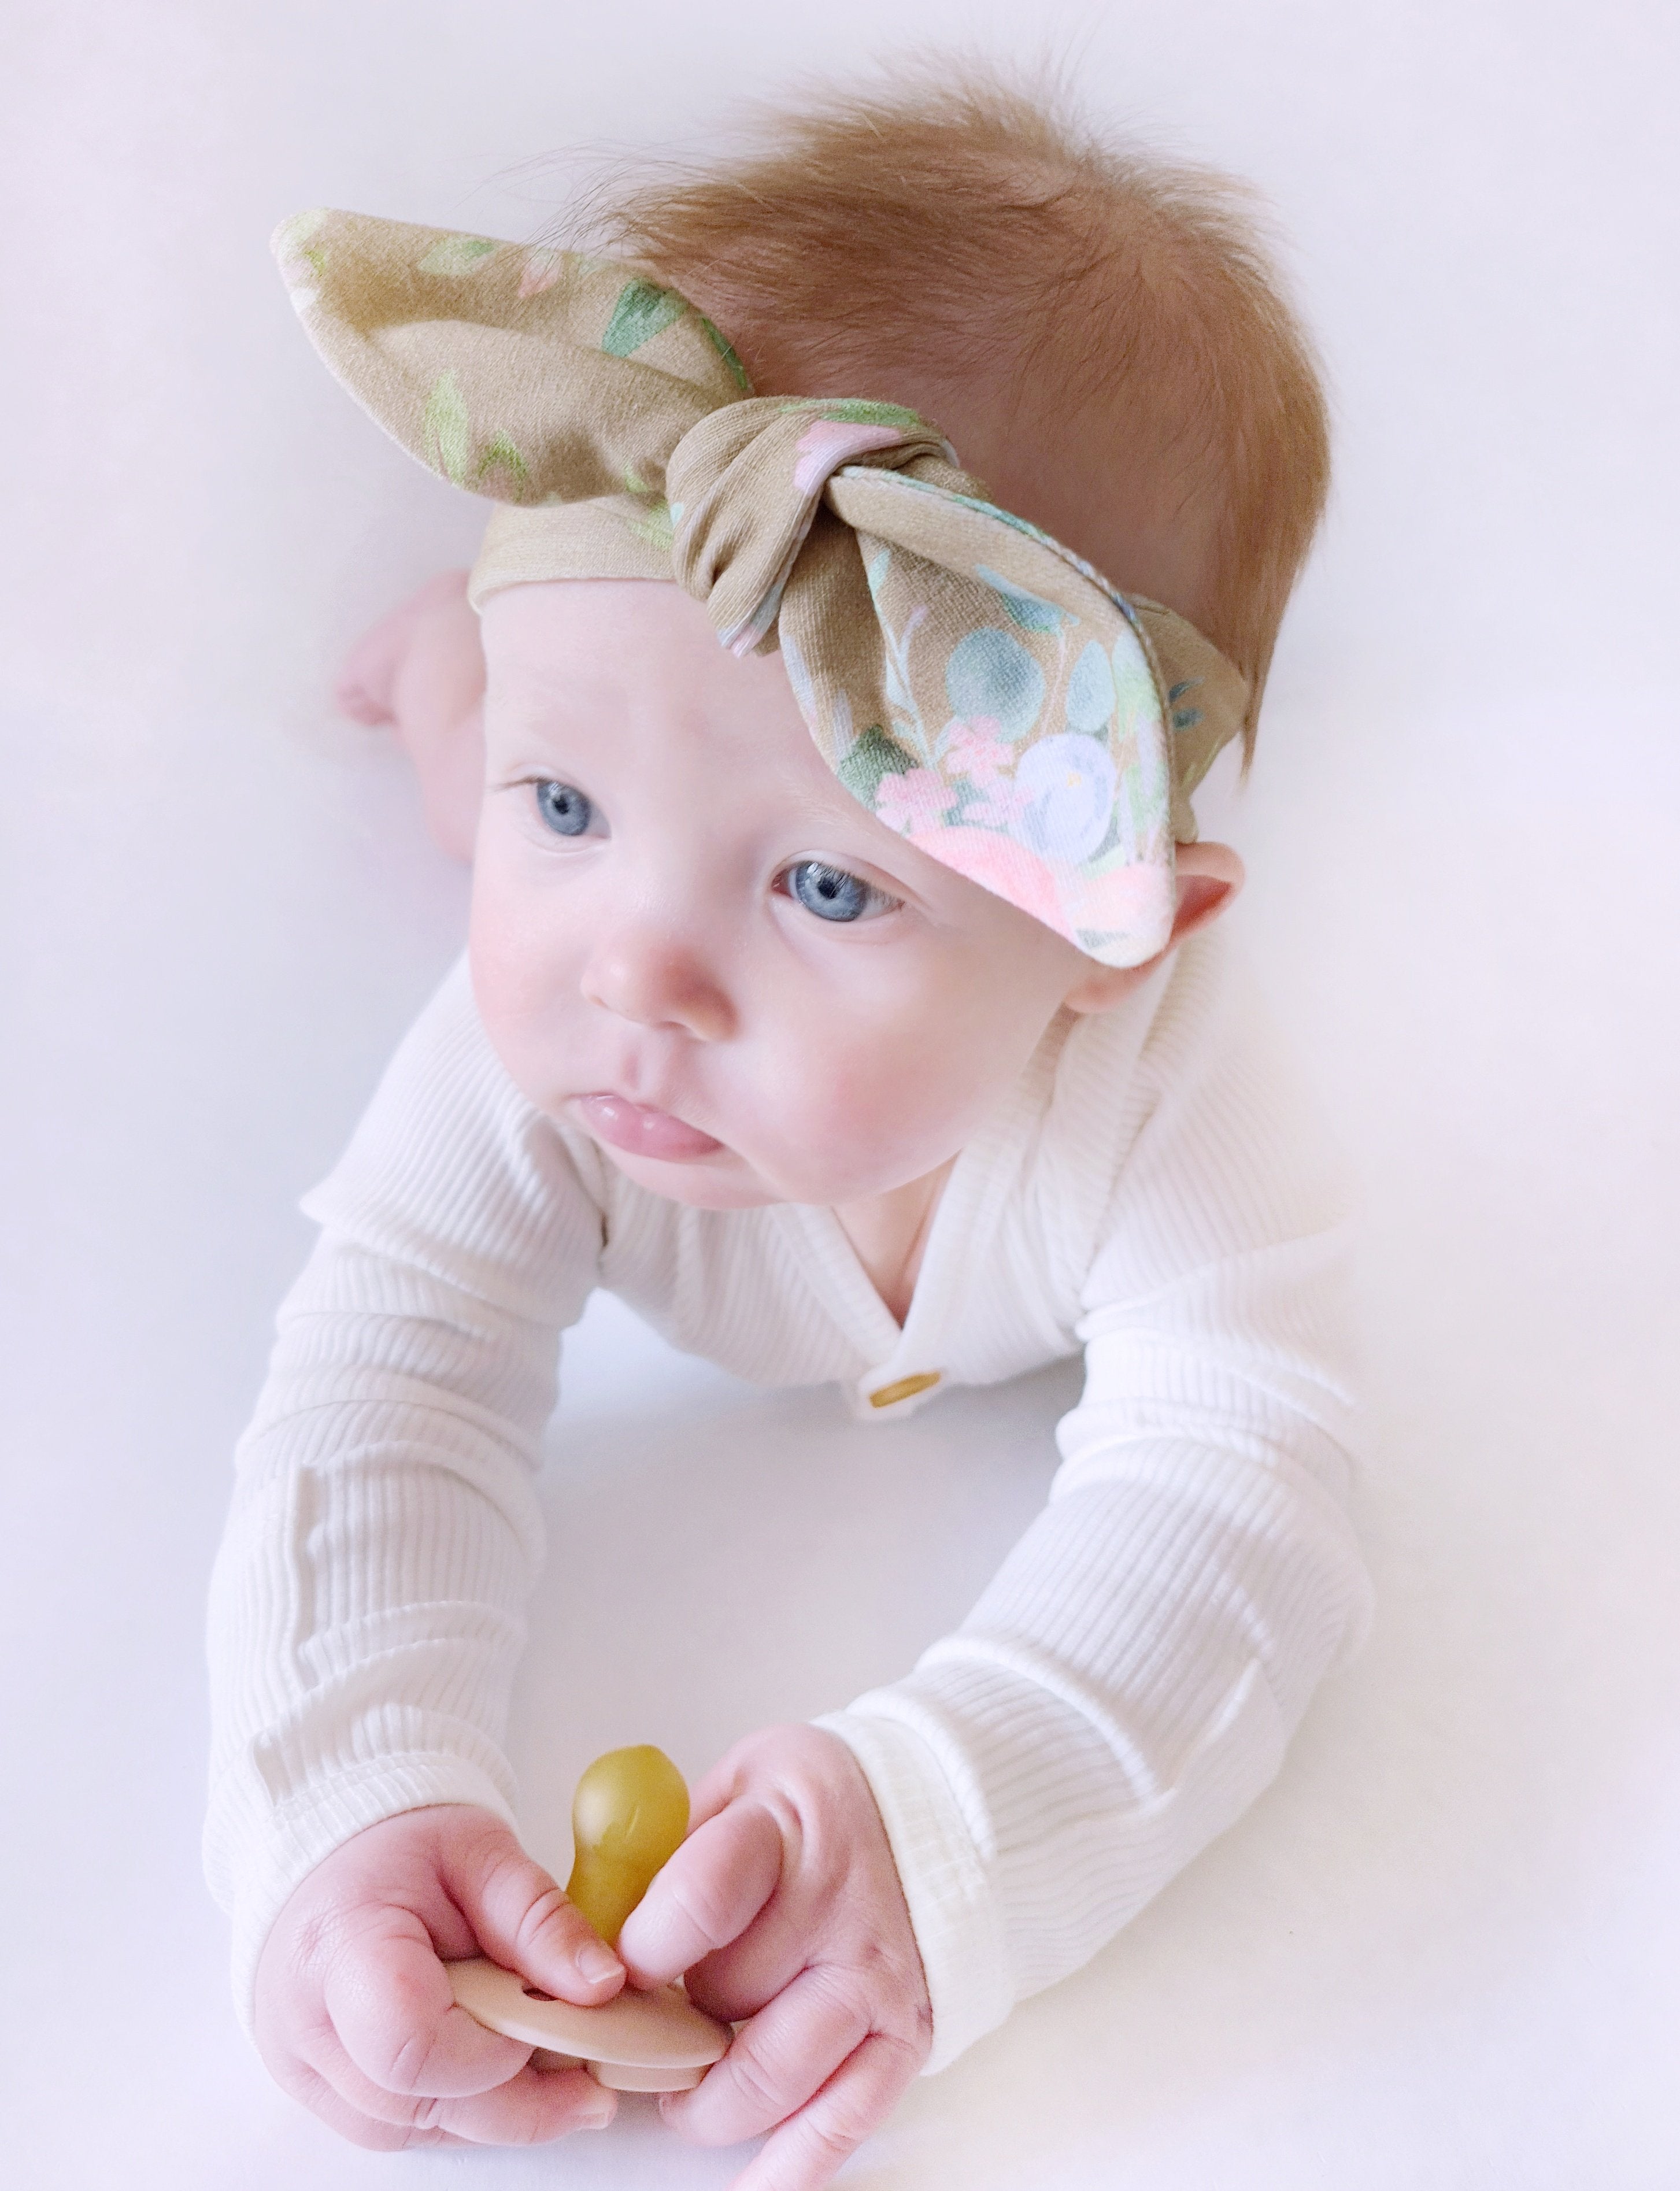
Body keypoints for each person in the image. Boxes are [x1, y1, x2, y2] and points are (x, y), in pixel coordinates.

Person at [208, 69, 1372, 2191]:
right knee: (496, 778)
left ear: (1116, 939)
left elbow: (1248, 1485)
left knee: (601, 777)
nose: (634, 980)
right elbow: (384, 1384)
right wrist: (344, 1795)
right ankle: (463, 707)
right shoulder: (536, 1046)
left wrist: (947, 1833)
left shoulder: (1167, 1073)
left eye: (828, 885)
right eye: (572, 811)